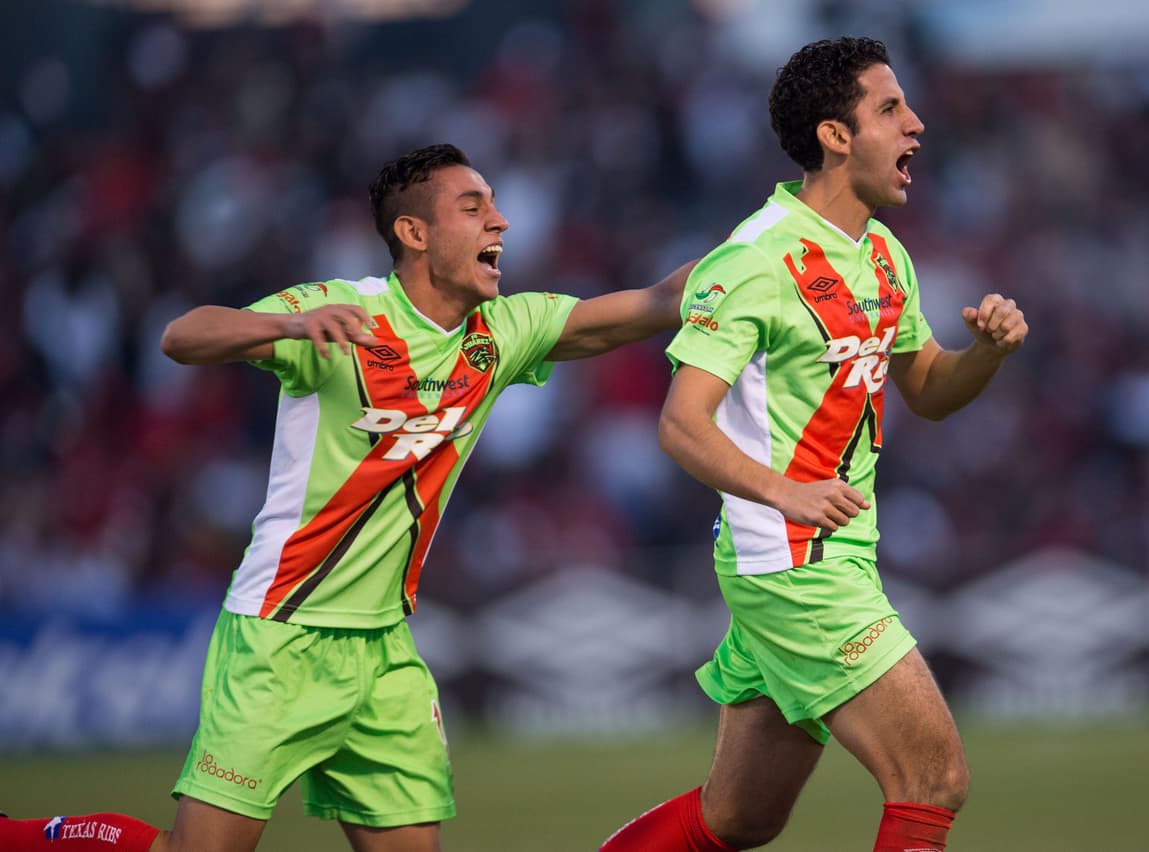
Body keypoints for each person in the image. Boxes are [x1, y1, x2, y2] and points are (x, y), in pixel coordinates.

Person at [1, 143, 693, 852]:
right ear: (414, 233)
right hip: (282, 635)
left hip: (384, 651)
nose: (502, 222)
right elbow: (184, 335)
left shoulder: (503, 333)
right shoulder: (340, 312)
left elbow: (653, 303)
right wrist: (285, 327)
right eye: (474, 207)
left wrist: (761, 251)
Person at [599, 37, 1027, 852]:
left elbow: (928, 389)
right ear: (836, 136)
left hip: (831, 553)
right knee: (931, 778)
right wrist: (785, 491)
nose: (917, 125)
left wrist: (988, 356)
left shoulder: (883, 255)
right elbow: (680, 423)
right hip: (793, 561)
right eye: (891, 109)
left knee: (740, 819)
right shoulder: (757, 258)